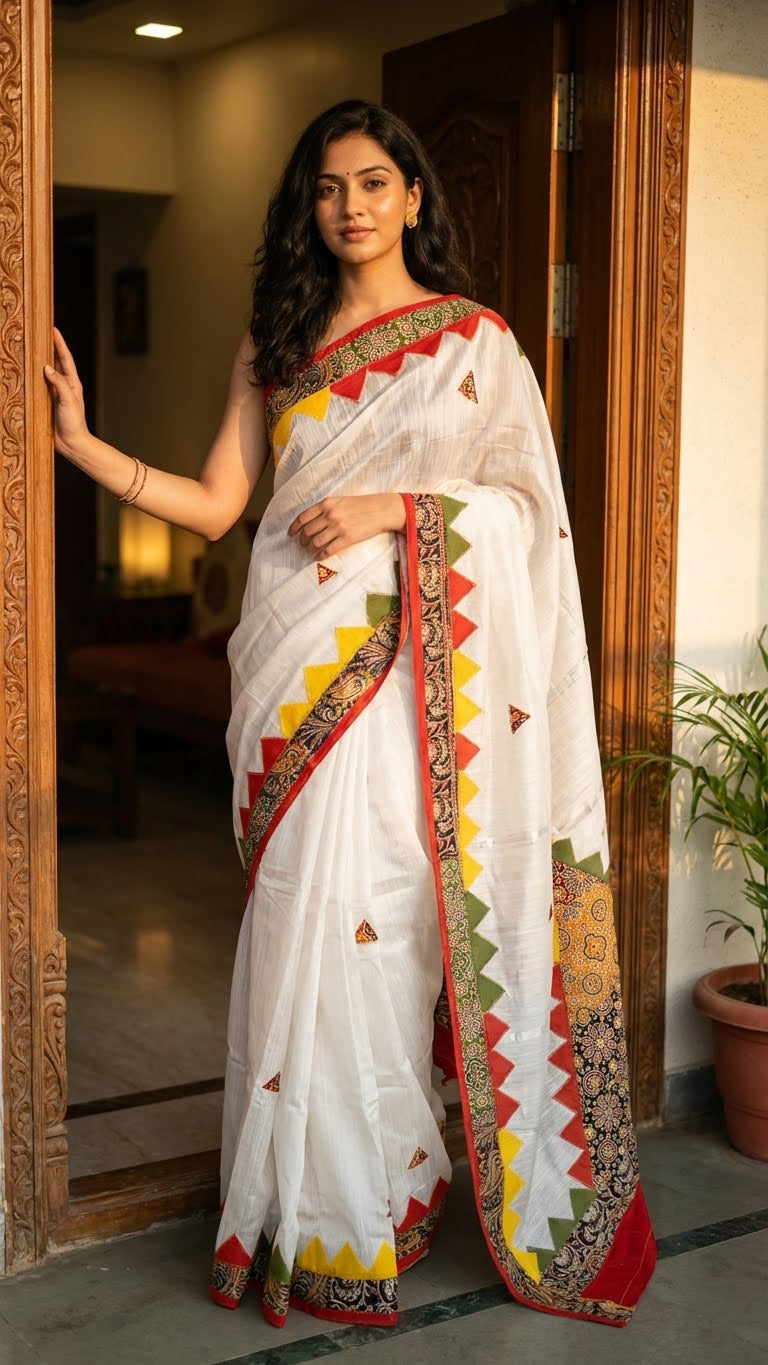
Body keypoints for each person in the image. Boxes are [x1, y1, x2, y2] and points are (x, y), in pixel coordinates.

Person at [44, 98, 655, 1331]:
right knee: (297, 932)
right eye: (328, 189)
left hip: (410, 691)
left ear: (414, 196)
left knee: (383, 935)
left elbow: (533, 522)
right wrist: (84, 444)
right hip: (291, 686)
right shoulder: (275, 342)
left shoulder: (475, 344)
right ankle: (308, 1213)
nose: (351, 207)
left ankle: (372, 1204)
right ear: (307, 208)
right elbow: (222, 506)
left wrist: (397, 512)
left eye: (374, 183)